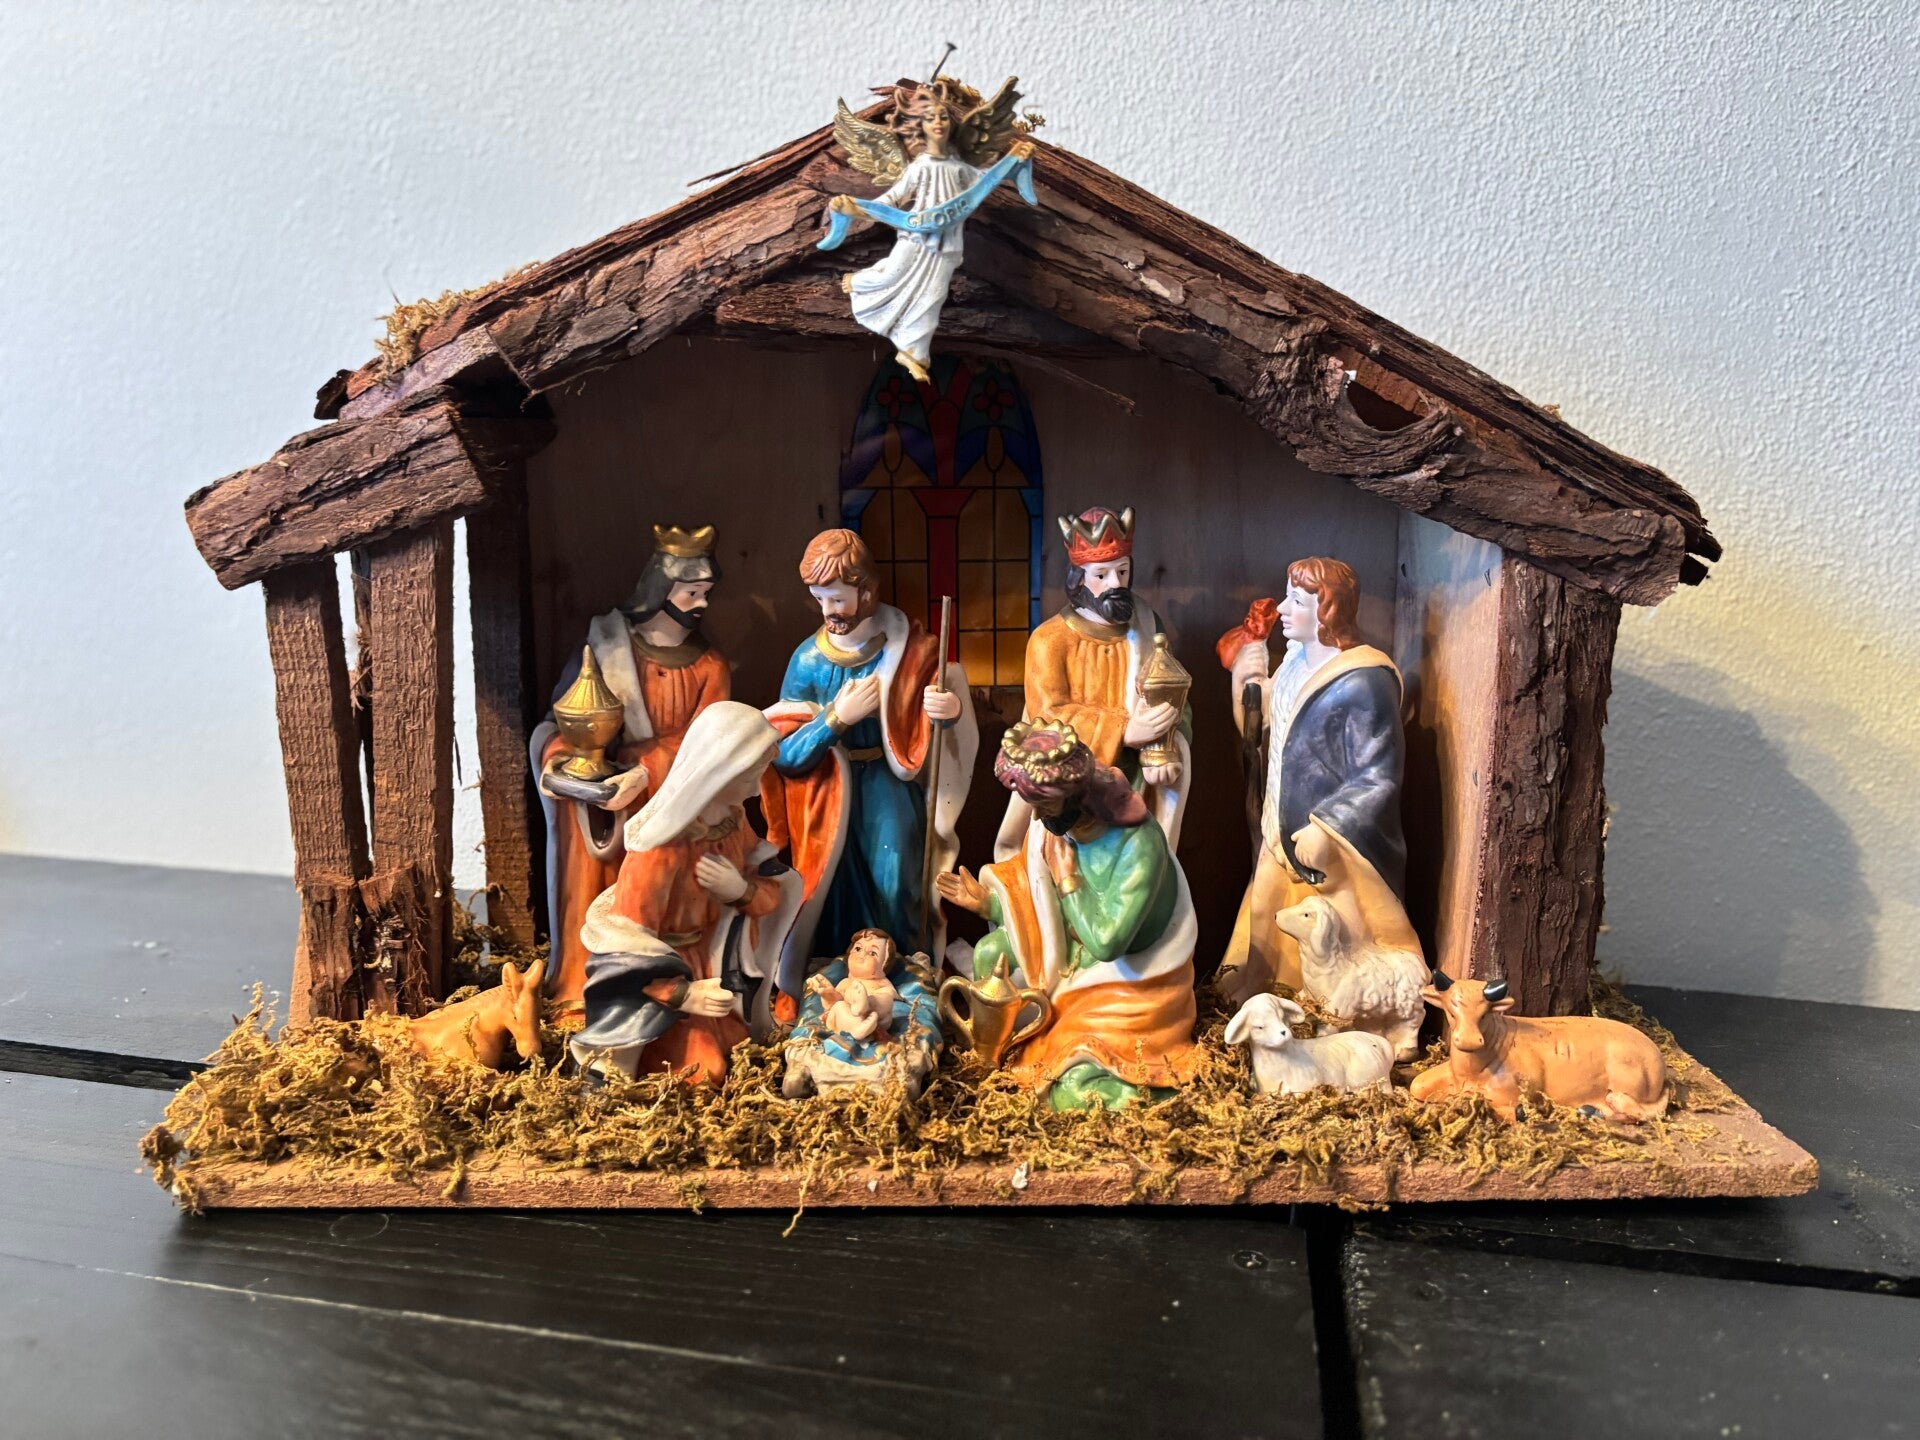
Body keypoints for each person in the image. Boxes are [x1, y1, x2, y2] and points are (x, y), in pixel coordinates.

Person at [939, 719, 1199, 1111]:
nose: (1036, 816)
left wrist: (1068, 881)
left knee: (1070, 1090)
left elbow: (1107, 943)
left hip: (1129, 980)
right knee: (990, 954)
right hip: (1068, 961)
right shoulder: (1055, 825)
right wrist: (990, 905)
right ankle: (997, 1055)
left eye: (1044, 806)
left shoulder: (1138, 846)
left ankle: (1135, 1090)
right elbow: (1038, 898)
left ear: (1077, 794)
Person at [762, 529, 976, 981]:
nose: (829, 611)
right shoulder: (808, 661)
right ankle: (839, 979)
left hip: (887, 782)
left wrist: (949, 712)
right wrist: (835, 719)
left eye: (838, 599)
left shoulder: (909, 649)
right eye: (820, 599)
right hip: (828, 792)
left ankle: (906, 979)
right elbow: (783, 753)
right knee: (832, 890)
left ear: (866, 592)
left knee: (896, 880)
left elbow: (935, 710)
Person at [531, 524, 729, 1008]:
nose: (701, 603)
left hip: (673, 799)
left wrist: (645, 773)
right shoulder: (608, 647)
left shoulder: (710, 667)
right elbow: (565, 719)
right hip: (606, 804)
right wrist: (561, 765)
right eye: (691, 592)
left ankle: (660, 991)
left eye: (706, 592)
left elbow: (710, 741)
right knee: (592, 881)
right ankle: (586, 990)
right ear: (661, 590)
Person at [1215, 558, 1417, 1003]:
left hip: (1325, 847)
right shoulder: (1293, 661)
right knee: (1264, 914)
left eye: (1298, 601)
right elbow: (1265, 727)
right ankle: (1256, 991)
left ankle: (1325, 1009)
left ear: (1328, 612)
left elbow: (1378, 776)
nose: (1283, 609)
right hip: (1278, 824)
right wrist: (1248, 679)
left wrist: (1326, 827)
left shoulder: (1364, 683)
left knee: (1329, 934)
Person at [568, 702, 800, 1085]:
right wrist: (683, 995)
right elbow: (628, 951)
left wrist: (740, 890)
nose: (758, 786)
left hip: (718, 966)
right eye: (751, 774)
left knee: (740, 1052)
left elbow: (772, 896)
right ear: (719, 770)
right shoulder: (661, 850)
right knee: (704, 1073)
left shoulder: (734, 823)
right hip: (667, 981)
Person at [994, 506, 1191, 859]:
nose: (1115, 583)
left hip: (1138, 789)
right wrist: (1125, 730)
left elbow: (1176, 695)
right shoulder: (1049, 640)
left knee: (1144, 866)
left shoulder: (1148, 628)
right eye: (1101, 574)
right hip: (1071, 796)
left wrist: (1164, 745)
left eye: (1122, 571)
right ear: (1078, 578)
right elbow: (1048, 718)